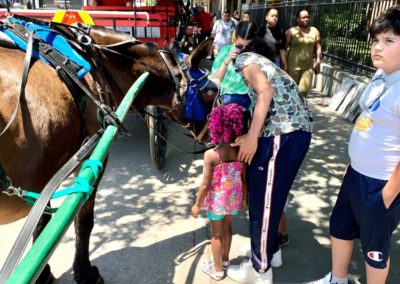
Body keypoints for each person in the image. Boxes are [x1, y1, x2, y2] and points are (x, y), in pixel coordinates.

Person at [315, 6, 400, 284]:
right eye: (376, 40)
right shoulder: (381, 74)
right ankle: (337, 280)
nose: (377, 48)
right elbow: (368, 120)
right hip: (356, 175)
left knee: (374, 249)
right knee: (340, 227)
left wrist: (388, 193)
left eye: (389, 41)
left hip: (381, 183)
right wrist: (353, 163)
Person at [225, 21, 313, 283]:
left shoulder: (246, 59)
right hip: (292, 133)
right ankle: (269, 253)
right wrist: (252, 134)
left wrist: (252, 138)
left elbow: (265, 92)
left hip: (282, 134)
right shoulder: (266, 60)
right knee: (271, 200)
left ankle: (260, 270)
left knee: (262, 202)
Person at [191, 103, 248, 281]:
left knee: (216, 235)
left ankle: (217, 270)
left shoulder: (211, 155)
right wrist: (245, 198)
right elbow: (244, 178)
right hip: (234, 200)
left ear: (215, 126)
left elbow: (205, 184)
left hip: (217, 203)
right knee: (228, 228)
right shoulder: (240, 151)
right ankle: (224, 261)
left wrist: (197, 204)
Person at [286, 9, 321, 96]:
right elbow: (284, 48)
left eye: (307, 17)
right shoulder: (291, 31)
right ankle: (292, 109)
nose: (306, 19)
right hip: (292, 66)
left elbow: (318, 47)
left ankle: (301, 108)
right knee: (291, 90)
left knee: (304, 90)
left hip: (308, 66)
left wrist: (318, 60)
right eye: (303, 17)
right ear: (297, 19)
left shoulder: (314, 31)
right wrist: (283, 64)